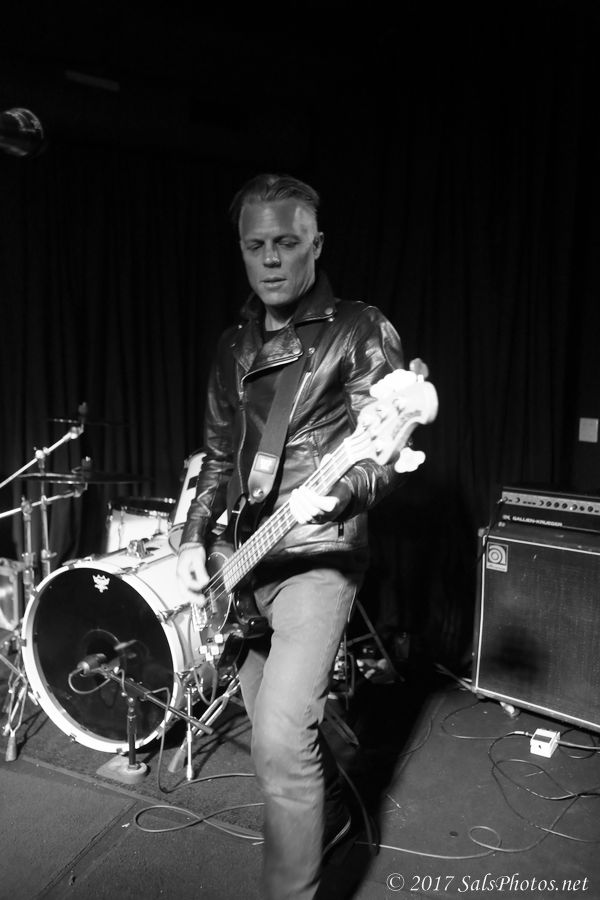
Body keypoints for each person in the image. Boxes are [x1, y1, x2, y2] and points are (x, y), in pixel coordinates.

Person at [176, 173, 406, 900]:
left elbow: (381, 457)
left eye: (286, 241)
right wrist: (195, 539)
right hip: (243, 560)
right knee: (278, 726)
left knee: (278, 736)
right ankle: (332, 808)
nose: (270, 258)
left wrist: (336, 495)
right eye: (256, 245)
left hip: (316, 553)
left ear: (316, 244)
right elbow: (218, 458)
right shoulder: (232, 346)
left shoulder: (358, 329)